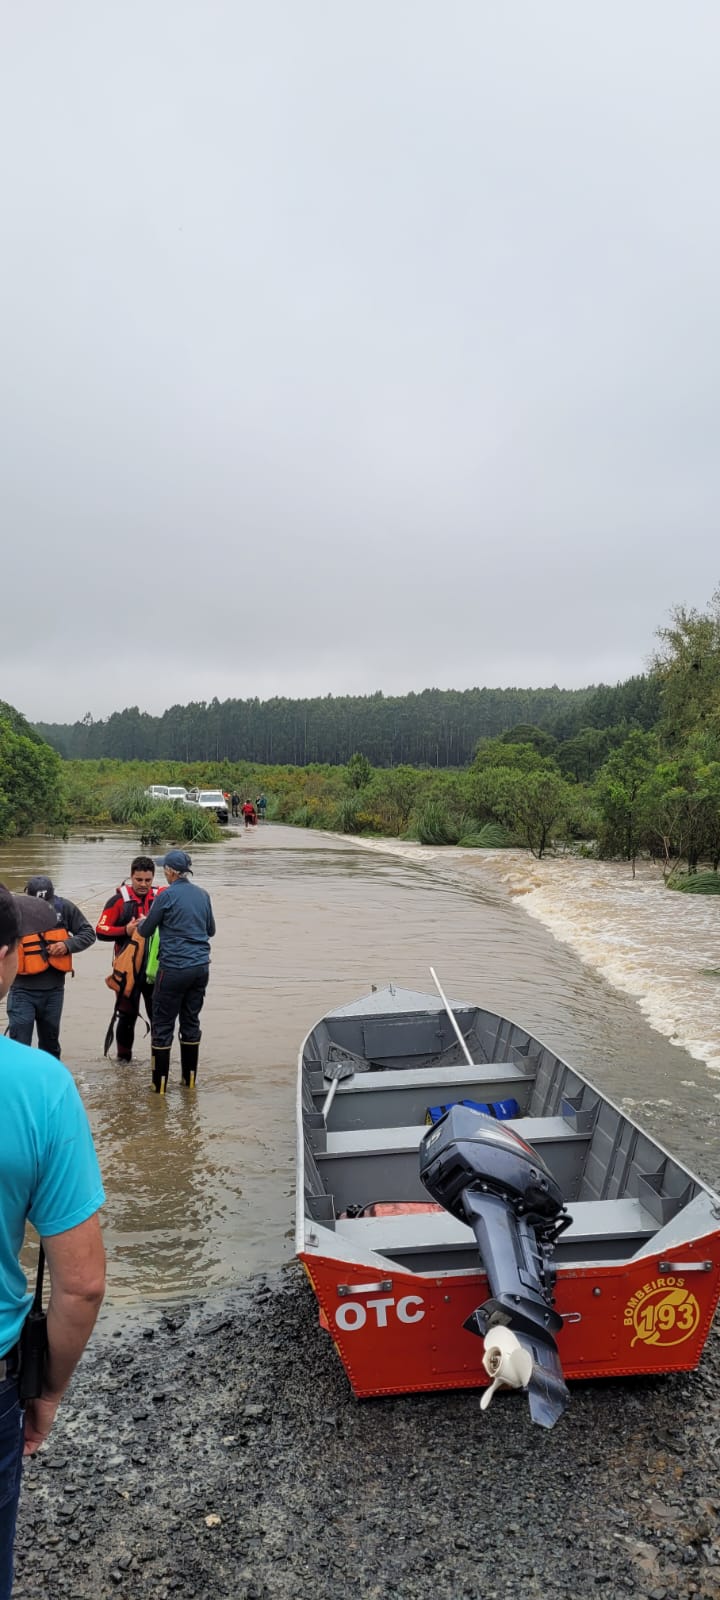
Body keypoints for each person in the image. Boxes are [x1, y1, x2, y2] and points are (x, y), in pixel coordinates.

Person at [0, 884, 106, 1599]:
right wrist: (49, 1388)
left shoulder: (67, 912)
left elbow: (90, 937)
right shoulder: (39, 1088)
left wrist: (69, 946)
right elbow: (81, 1281)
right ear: (4, 961)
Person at [137, 850, 216, 1094]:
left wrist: (142, 921)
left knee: (162, 1026)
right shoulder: (203, 895)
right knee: (190, 1022)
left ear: (171, 872)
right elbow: (210, 930)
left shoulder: (166, 895)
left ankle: (158, 1089)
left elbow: (146, 931)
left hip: (172, 969)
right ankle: (189, 1083)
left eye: (164, 869)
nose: (163, 872)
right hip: (200, 969)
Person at [6, 877, 95, 1059]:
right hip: (22, 991)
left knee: (50, 1046)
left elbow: (88, 934)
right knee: (19, 1046)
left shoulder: (65, 908)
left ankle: (49, 1084)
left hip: (54, 992)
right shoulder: (12, 912)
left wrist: (67, 945)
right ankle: (21, 1085)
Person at [95, 856, 160, 1062]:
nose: (143, 885)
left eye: (147, 880)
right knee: (126, 1017)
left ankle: (158, 1063)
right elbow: (100, 930)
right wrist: (126, 929)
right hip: (127, 970)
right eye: (139, 880)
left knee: (158, 1018)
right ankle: (123, 1064)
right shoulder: (118, 901)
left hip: (155, 970)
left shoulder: (163, 897)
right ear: (131, 876)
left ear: (153, 878)